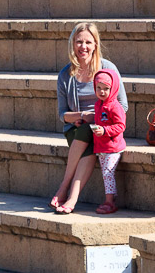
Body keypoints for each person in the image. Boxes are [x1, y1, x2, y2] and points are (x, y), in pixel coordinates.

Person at [50, 22, 128, 214]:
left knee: (93, 136)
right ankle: (68, 194)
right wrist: (81, 116)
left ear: (95, 45)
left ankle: (66, 193)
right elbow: (63, 115)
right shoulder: (65, 75)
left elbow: (123, 105)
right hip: (77, 130)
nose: (83, 47)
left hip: (104, 130)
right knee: (86, 130)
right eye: (78, 42)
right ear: (72, 44)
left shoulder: (108, 69)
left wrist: (102, 119)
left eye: (88, 42)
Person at [91, 69, 126, 215]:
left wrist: (105, 131)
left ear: (113, 89)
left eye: (106, 88)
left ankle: (109, 201)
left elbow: (121, 126)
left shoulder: (115, 106)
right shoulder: (98, 105)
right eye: (98, 88)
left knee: (107, 173)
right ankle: (110, 197)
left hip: (113, 147)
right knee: (105, 173)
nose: (102, 92)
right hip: (102, 147)